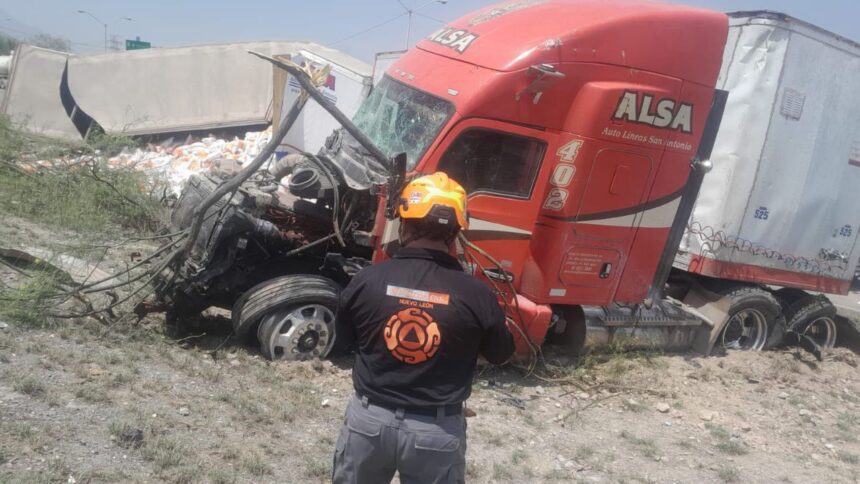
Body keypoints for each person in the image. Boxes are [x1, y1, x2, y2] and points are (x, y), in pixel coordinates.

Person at [329, 172, 515, 484]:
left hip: (368, 423)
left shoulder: (367, 280)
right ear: (455, 233)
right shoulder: (477, 294)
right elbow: (501, 354)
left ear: (403, 225)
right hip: (437, 432)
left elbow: (338, 345)